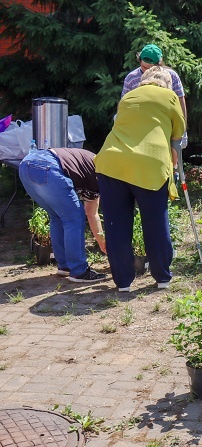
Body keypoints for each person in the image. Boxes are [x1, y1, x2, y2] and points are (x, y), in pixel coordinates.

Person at [96, 66, 186, 293]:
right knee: (155, 221)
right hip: (149, 165)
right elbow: (179, 134)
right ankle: (162, 277)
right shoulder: (170, 96)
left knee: (116, 225)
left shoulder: (127, 97)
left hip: (111, 163)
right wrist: (174, 166)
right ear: (166, 83)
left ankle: (123, 283)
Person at [19, 147, 107, 282]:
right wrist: (104, 242)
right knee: (74, 218)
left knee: (57, 216)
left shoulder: (96, 166)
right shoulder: (103, 173)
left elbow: (91, 213)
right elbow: (91, 213)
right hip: (48, 166)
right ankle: (79, 271)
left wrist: (102, 242)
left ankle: (65, 266)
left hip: (26, 165)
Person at [122, 44, 188, 121]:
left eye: (151, 68)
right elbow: (124, 103)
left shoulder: (172, 76)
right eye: (144, 67)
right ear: (140, 61)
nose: (147, 71)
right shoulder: (131, 78)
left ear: (158, 64)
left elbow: (180, 102)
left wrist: (183, 127)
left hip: (165, 121)